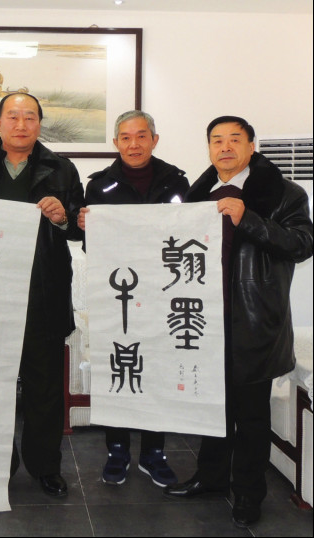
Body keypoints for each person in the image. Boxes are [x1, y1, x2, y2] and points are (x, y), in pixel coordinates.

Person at [164, 116, 313, 528]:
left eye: (234, 139)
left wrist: (247, 218)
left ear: (251, 146)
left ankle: (248, 493)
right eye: (217, 140)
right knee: (211, 406)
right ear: (209, 148)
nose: (225, 147)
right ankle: (211, 479)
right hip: (201, 319)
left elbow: (302, 244)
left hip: (253, 319)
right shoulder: (197, 195)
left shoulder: (284, 192)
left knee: (250, 415)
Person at [0, 92, 85, 497]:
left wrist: (63, 218)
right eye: (13, 116)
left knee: (45, 389)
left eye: (30, 117)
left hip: (44, 292)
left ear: (40, 124)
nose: (21, 124)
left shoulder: (62, 168)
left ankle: (46, 467)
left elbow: (80, 228)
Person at [77, 110, 189, 488]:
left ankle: (154, 453)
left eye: (142, 136)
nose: (134, 144)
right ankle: (117, 450)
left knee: (155, 368)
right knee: (119, 367)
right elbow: (92, 246)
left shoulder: (177, 182)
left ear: (155, 140)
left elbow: (187, 235)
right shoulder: (99, 186)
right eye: (125, 138)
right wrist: (84, 227)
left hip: (161, 292)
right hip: (117, 293)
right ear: (116, 143)